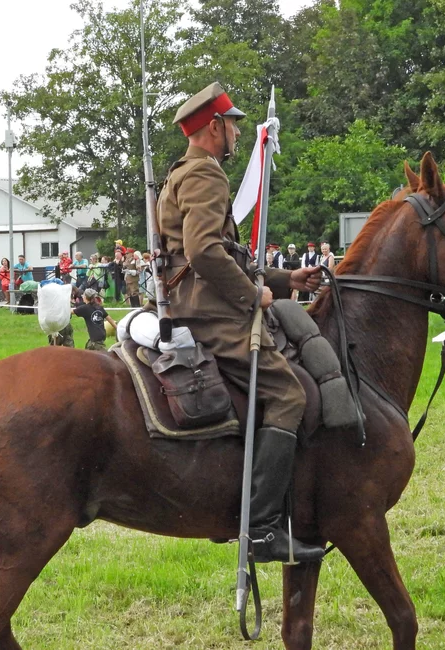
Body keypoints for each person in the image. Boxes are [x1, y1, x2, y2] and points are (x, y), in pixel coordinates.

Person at [156, 81, 324, 563]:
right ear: (215, 127)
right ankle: (263, 529)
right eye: (232, 124)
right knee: (289, 395)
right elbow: (204, 253)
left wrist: (286, 278)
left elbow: (227, 254)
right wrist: (254, 296)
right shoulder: (205, 173)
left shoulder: (182, 172)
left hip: (195, 301)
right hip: (211, 313)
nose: (236, 133)